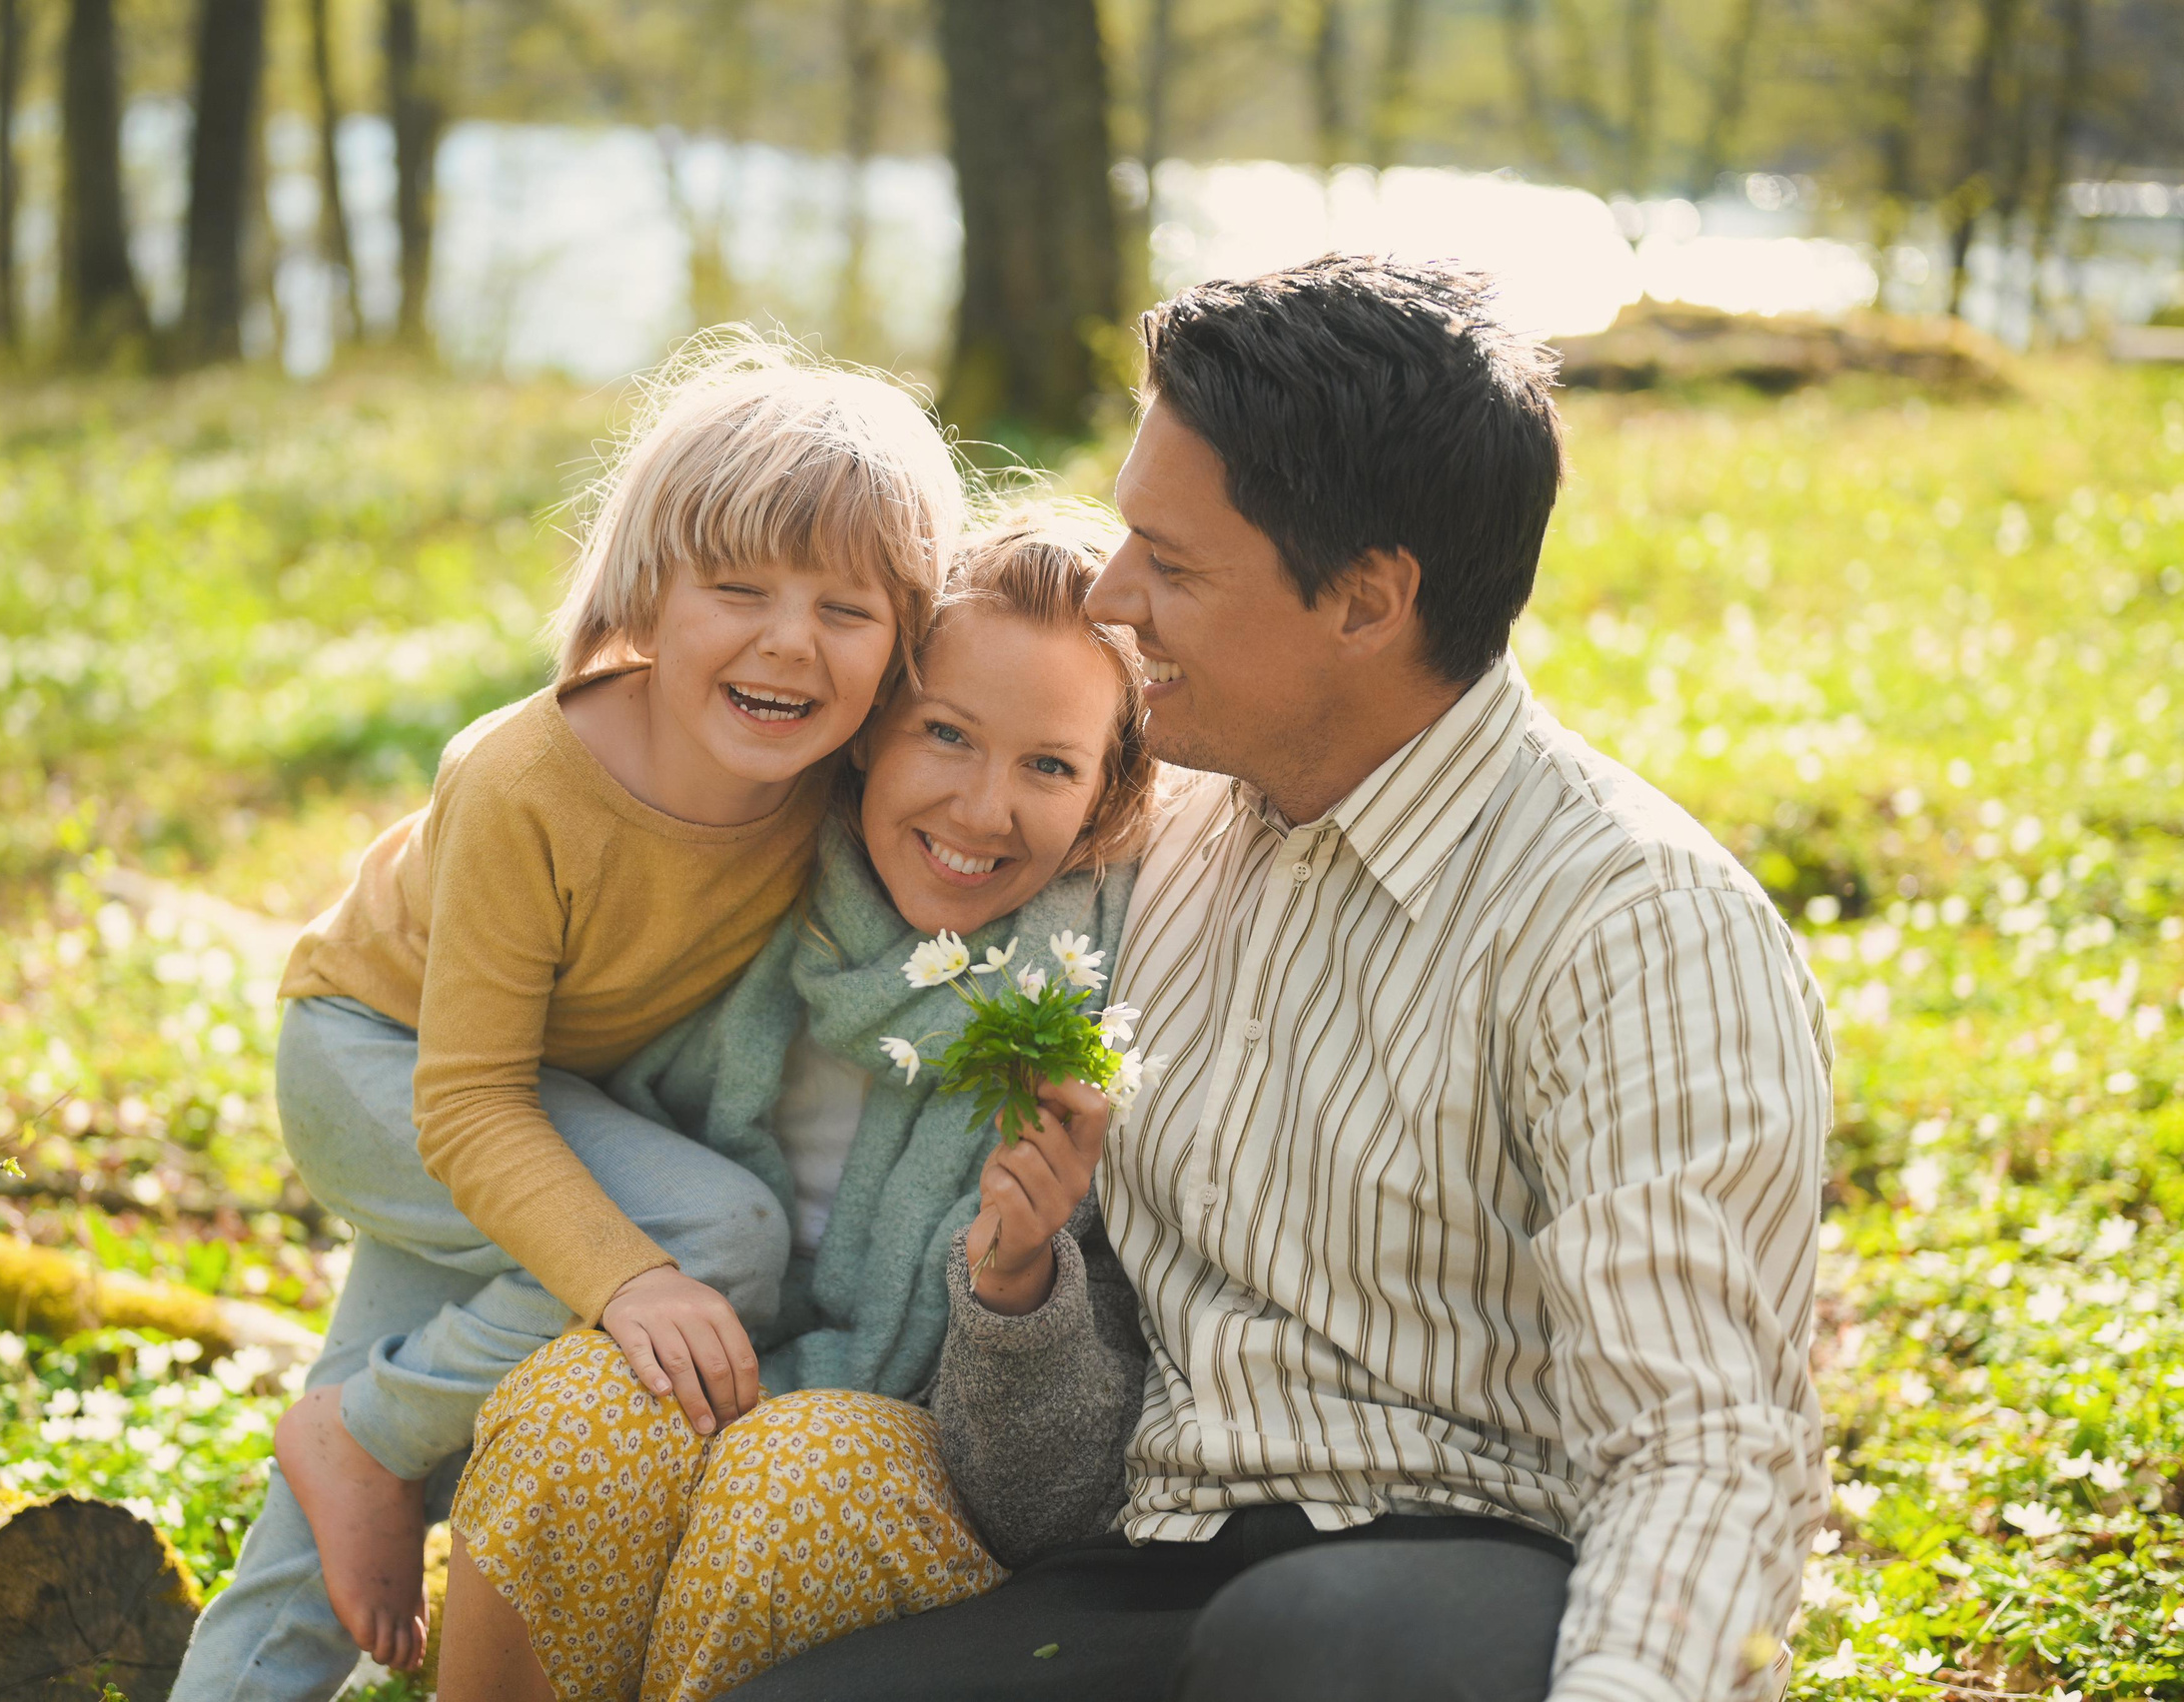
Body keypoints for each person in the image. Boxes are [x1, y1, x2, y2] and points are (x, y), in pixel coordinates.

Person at [730, 254, 1833, 1702]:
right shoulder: (1154, 858)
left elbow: (1702, 1446)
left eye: (1171, 566)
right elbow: (1059, 1466)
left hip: (1471, 1581)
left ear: (1367, 602)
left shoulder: (1634, 927)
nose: (1113, 595)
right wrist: (1017, 1291)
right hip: (1153, 1571)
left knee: (1304, 1649)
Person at [169, 334, 965, 1697]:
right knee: (706, 1231)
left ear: (901, 646)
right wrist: (634, 1272)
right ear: (649, 591)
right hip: (380, 1061)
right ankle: (371, 1433)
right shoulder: (524, 779)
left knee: (317, 1530)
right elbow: (467, 1098)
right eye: (738, 588)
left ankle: (315, 1521)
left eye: (847, 608)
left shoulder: (822, 780)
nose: (789, 640)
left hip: (545, 1105)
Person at [431, 509, 1159, 1702]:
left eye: (1048, 765)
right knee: (578, 1416)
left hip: (919, 1470)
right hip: (714, 1353)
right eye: (946, 733)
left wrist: (1019, 1281)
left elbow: (1060, 1495)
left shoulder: (1097, 1006)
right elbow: (501, 1085)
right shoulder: (749, 867)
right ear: (870, 727)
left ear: (1104, 793)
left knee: (795, 1480)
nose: (982, 809)